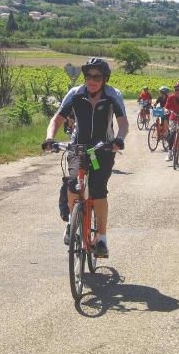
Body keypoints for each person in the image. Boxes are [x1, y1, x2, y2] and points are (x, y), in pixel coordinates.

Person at [42, 57, 128, 258]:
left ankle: (101, 239)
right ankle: (73, 222)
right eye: (88, 75)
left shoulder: (113, 95)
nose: (92, 79)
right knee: (73, 184)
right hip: (78, 147)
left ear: (104, 78)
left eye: (97, 76)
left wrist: (119, 139)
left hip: (102, 149)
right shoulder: (75, 94)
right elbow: (57, 119)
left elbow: (123, 123)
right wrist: (49, 138)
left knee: (98, 191)